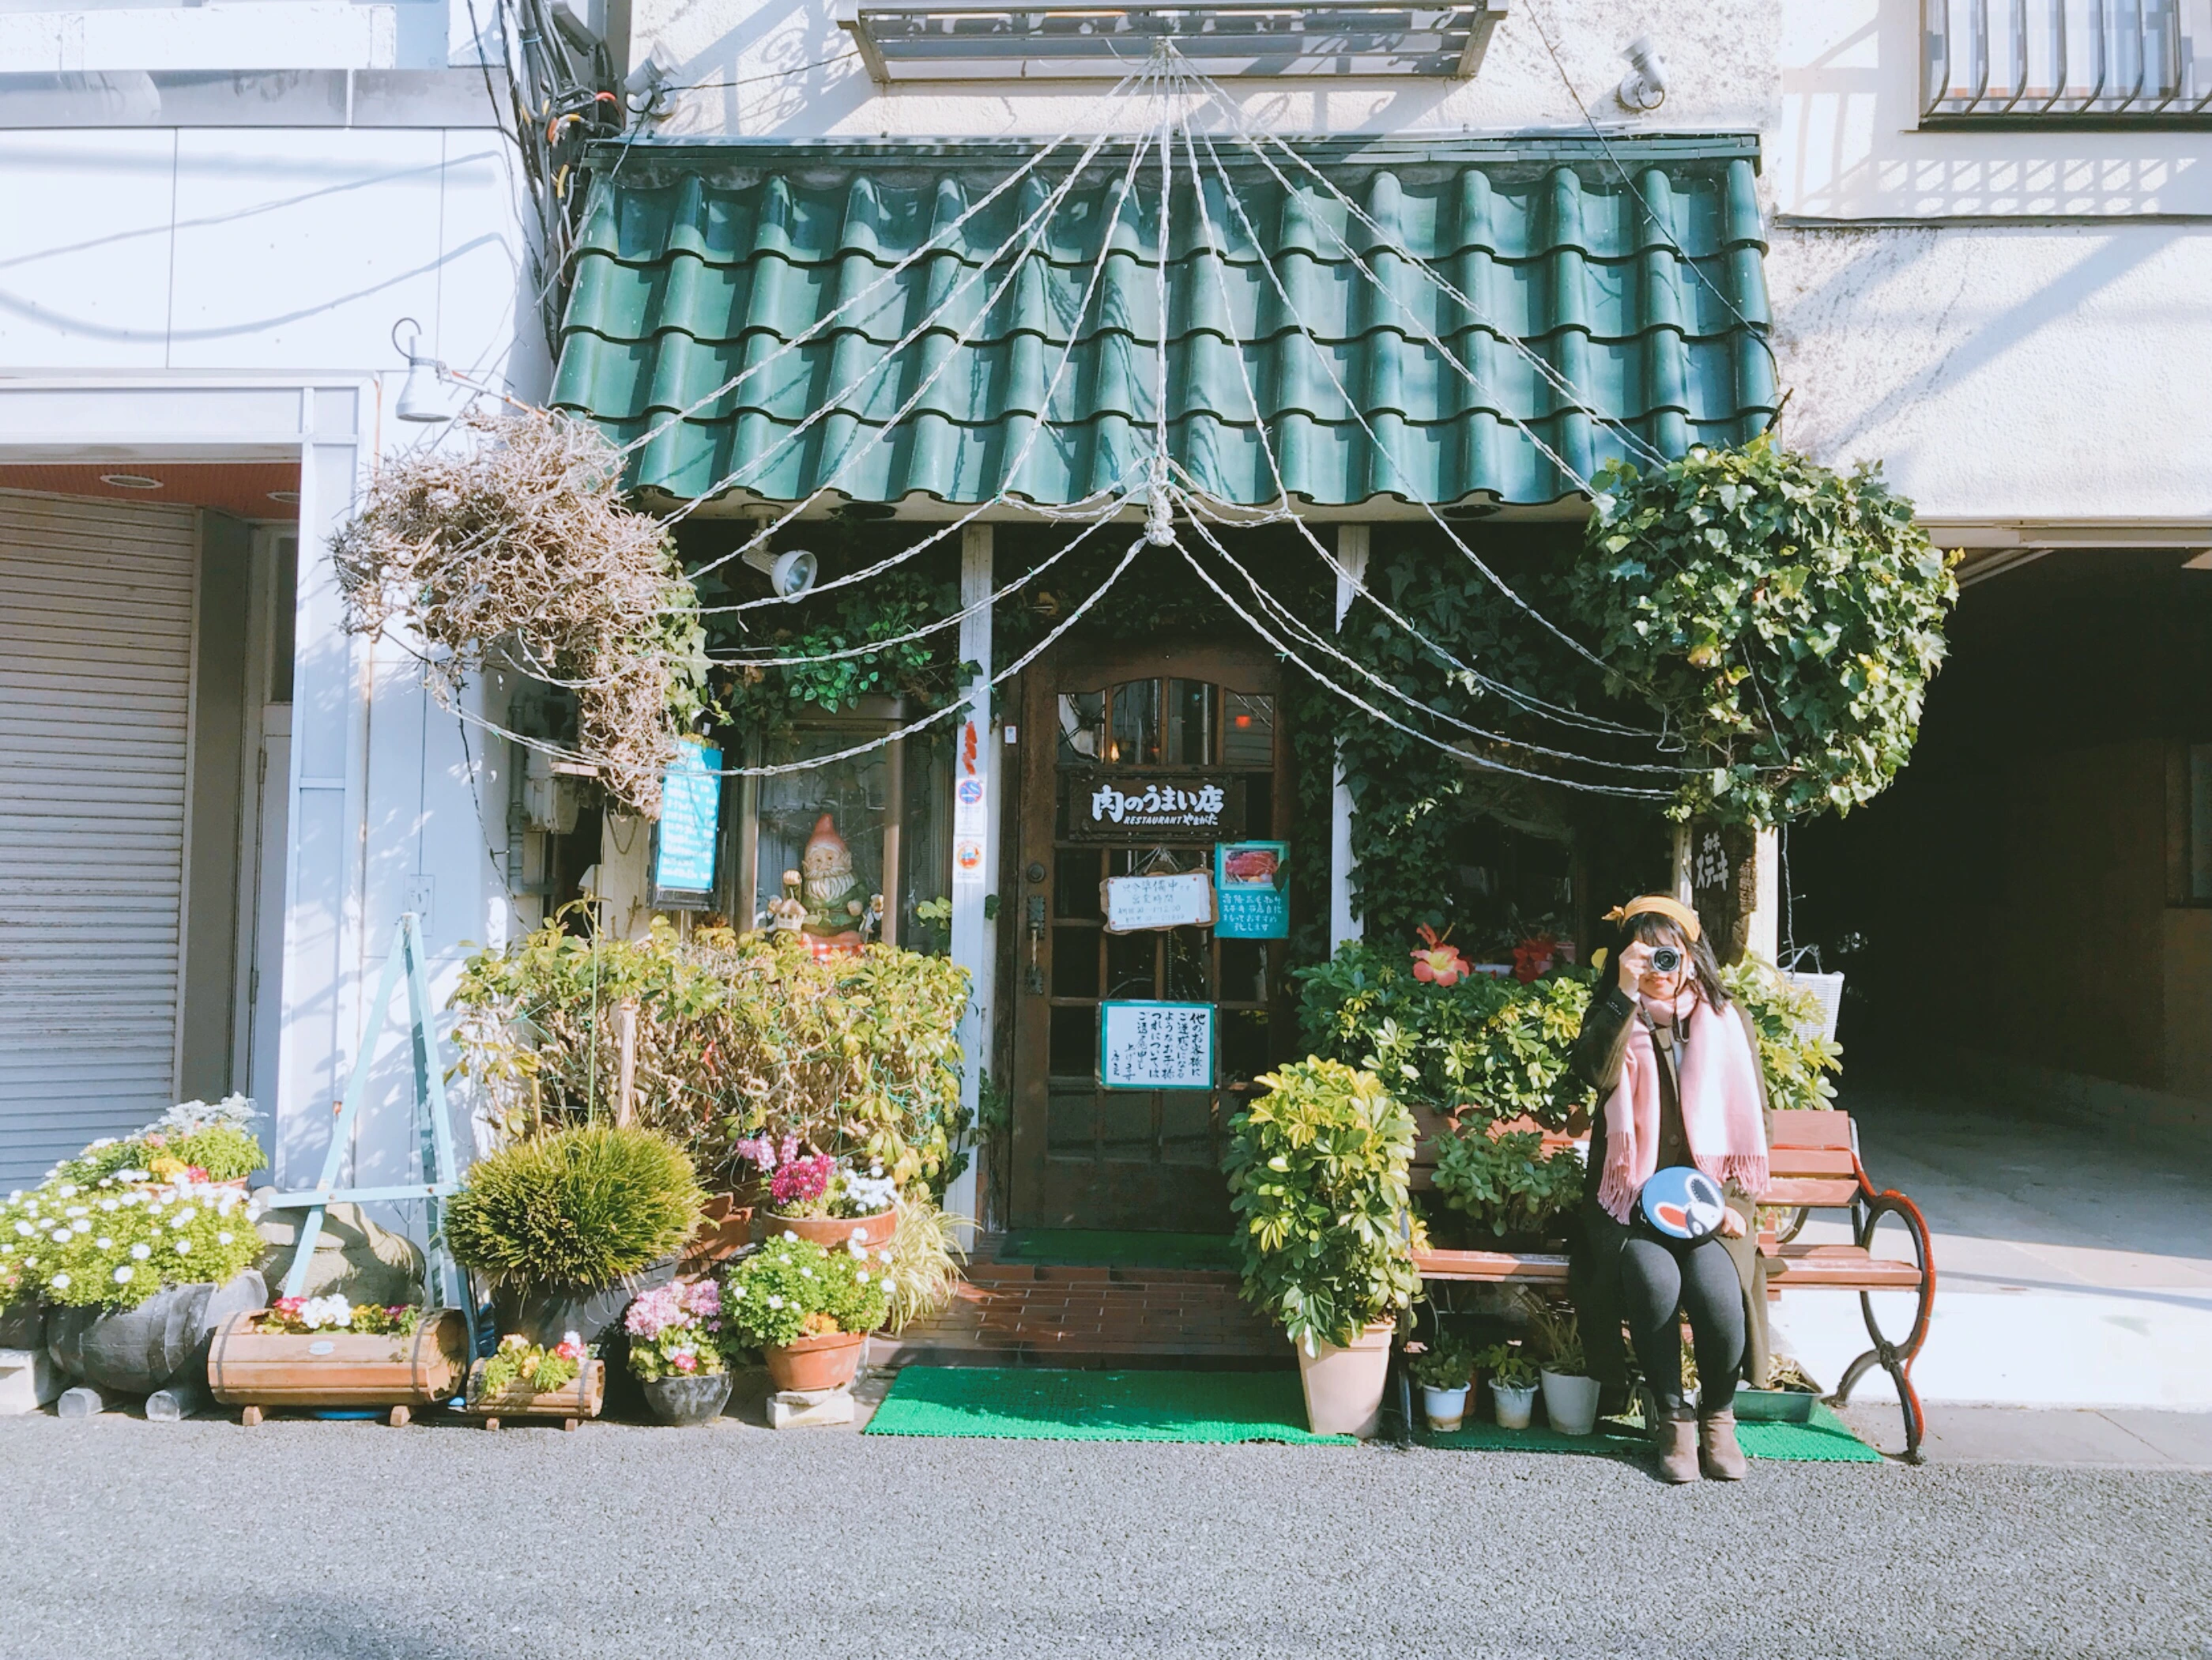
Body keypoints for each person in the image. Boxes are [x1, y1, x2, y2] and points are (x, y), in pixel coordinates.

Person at [1566, 894, 1772, 1483]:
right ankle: (1672, 1420)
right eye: (1645, 954)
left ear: (1690, 955)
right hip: (1627, 1204)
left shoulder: (1727, 1022)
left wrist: (1731, 1205)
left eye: (1668, 954)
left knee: (1714, 1288)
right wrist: (1622, 996)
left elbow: (1755, 1117)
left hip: (1709, 1207)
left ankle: (1718, 1416)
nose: (1660, 967)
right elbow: (1593, 1073)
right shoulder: (1613, 1015)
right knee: (1654, 1281)